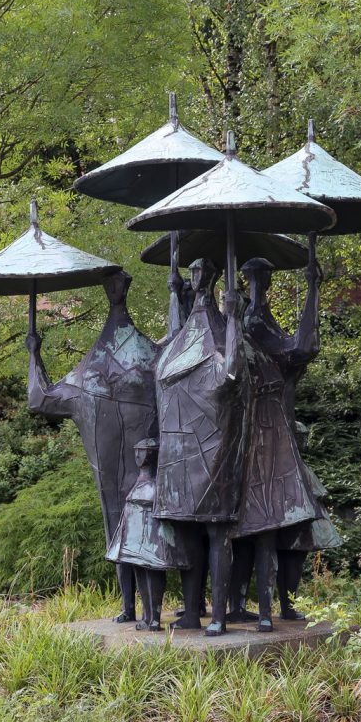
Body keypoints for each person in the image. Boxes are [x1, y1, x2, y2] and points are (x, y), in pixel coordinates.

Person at [25, 270, 158, 624]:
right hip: (152, 471)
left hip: (124, 476)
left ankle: (135, 609)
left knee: (117, 527)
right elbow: (40, 400)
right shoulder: (153, 362)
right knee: (136, 529)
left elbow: (39, 398)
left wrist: (34, 354)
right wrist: (34, 353)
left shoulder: (86, 377)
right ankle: (142, 610)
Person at [241, 251, 341, 620]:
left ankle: (282, 605)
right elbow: (300, 349)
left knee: (291, 533)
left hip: (278, 436)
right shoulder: (251, 320)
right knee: (267, 530)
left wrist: (314, 289)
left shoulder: (258, 317)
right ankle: (255, 608)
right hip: (264, 440)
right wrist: (313, 288)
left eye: (263, 278)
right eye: (256, 278)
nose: (261, 284)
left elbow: (298, 350)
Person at [155, 258, 250, 636]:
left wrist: (237, 318)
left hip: (216, 452)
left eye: (199, 273)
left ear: (209, 278)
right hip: (179, 454)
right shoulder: (186, 336)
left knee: (216, 534)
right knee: (189, 533)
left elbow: (231, 373)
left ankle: (221, 616)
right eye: (191, 272)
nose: (194, 278)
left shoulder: (218, 330)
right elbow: (163, 366)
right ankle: (193, 612)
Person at [107, 438, 197, 631]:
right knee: (139, 570)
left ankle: (154, 617)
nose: (139, 456)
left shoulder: (160, 483)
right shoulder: (139, 480)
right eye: (137, 452)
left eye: (143, 452)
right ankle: (147, 615)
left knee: (153, 573)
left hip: (154, 539)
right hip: (135, 537)